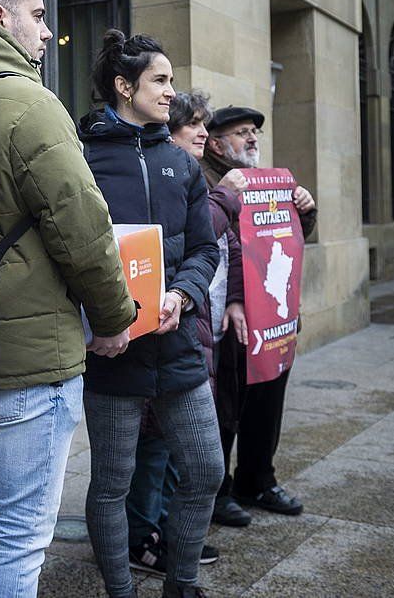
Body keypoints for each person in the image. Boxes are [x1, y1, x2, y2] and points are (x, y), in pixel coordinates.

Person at [0, 0, 136, 597]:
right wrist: (113, 318)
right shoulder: (27, 102)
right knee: (18, 538)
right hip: (33, 360)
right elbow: (85, 230)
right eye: (39, 15)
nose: (49, 33)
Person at [79, 30, 222, 598]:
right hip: (111, 351)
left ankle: (180, 585)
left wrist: (182, 296)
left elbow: (205, 249)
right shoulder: (82, 156)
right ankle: (121, 591)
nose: (171, 92)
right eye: (160, 80)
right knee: (112, 483)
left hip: (176, 344)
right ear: (124, 86)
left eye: (170, 80)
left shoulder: (181, 165)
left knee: (205, 470)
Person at [121, 89, 244, 576]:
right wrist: (225, 198)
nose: (203, 133)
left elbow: (221, 253)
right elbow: (189, 235)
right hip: (163, 339)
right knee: (151, 453)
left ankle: (167, 534)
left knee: (178, 455)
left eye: (204, 125)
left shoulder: (198, 176)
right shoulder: (170, 175)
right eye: (193, 124)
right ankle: (141, 538)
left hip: (196, 334)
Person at [203, 105, 317, 518]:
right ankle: (218, 492)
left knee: (267, 401)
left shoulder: (269, 183)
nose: (251, 139)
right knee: (227, 409)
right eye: (240, 133)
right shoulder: (209, 179)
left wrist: (304, 208)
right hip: (233, 316)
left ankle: (258, 480)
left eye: (254, 132)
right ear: (215, 143)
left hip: (273, 315)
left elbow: (289, 240)